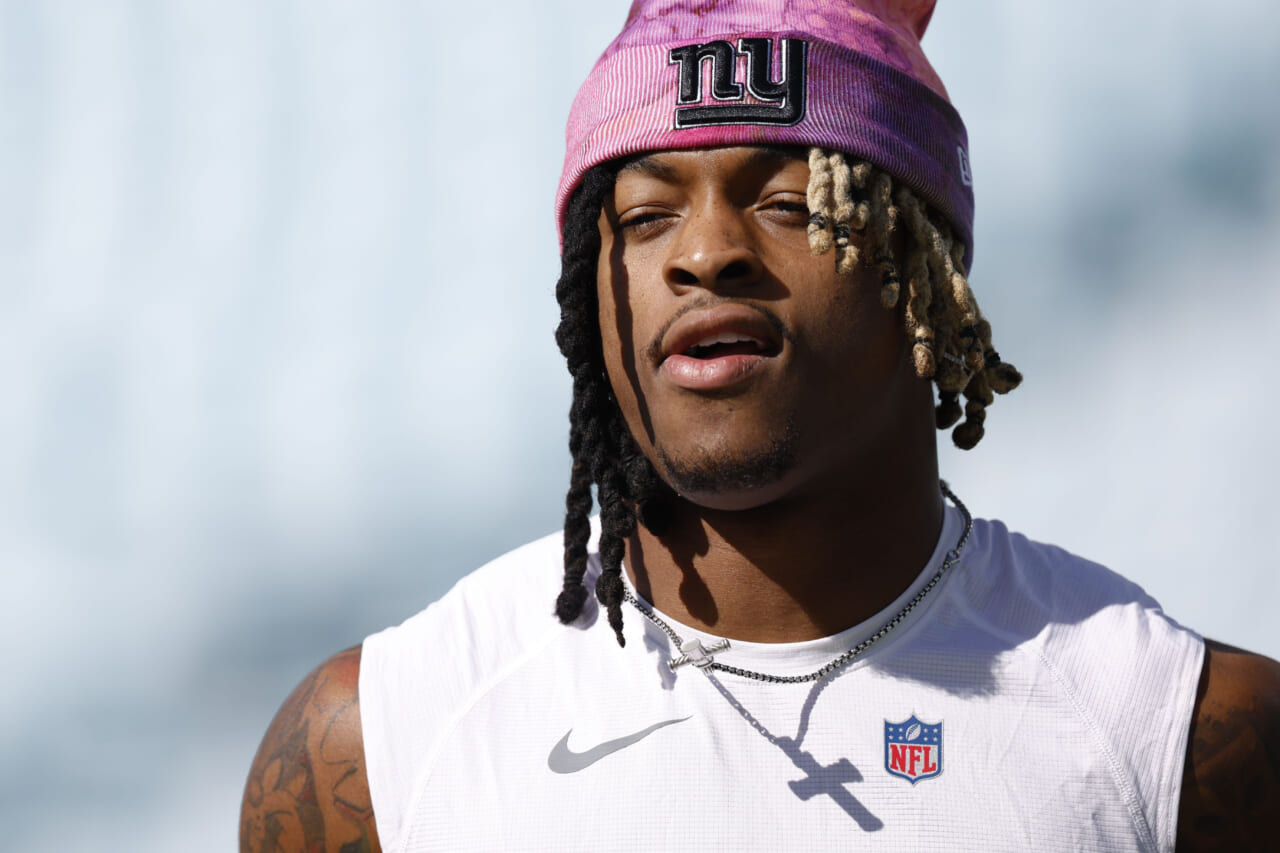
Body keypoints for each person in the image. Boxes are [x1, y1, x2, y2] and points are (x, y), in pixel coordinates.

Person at [240, 1, 1279, 850]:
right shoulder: (377, 749)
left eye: (789, 203)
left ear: (924, 273)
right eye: (645, 217)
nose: (704, 253)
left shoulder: (1180, 736)